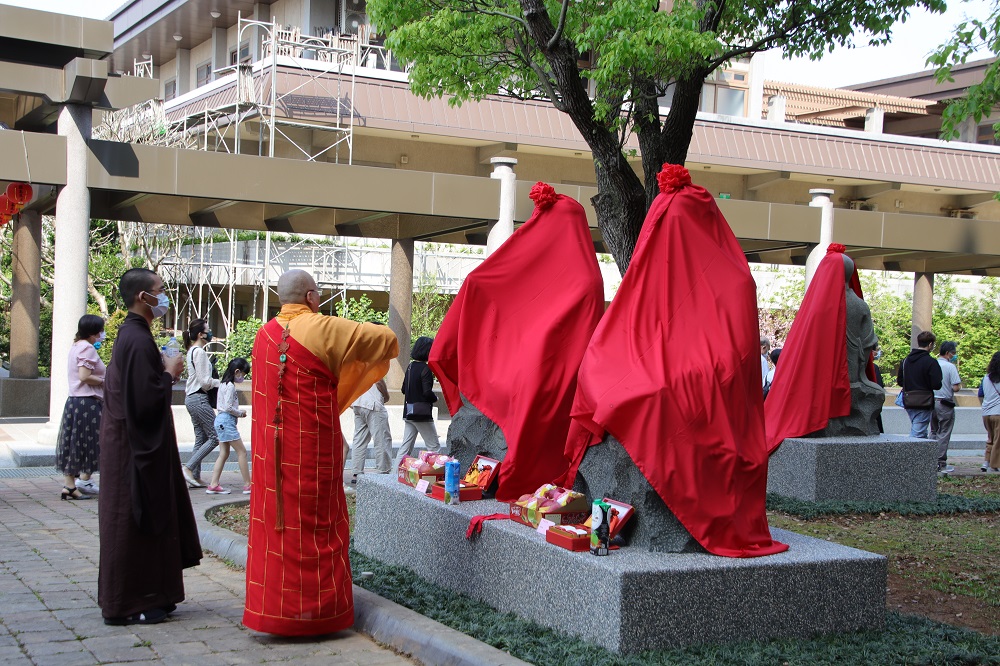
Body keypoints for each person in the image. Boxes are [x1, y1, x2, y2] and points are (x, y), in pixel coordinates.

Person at [244, 269, 397, 636]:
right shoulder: (322, 327)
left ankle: (274, 612)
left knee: (277, 529)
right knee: (318, 527)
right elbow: (386, 339)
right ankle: (319, 614)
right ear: (311, 297)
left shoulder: (262, 336)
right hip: (311, 452)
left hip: (271, 459)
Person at [98, 268, 201, 626]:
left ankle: (154, 594)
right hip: (133, 448)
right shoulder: (137, 339)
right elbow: (143, 401)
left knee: (149, 517)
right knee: (132, 519)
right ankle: (127, 603)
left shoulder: (134, 334)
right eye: (160, 290)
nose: (164, 296)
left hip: (132, 442)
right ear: (144, 297)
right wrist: (170, 373)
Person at [56, 314, 106, 500]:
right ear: (93, 332)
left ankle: (73, 483)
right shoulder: (87, 348)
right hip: (87, 402)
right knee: (89, 442)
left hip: (76, 401)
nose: (102, 334)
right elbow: (84, 376)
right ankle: (75, 483)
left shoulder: (76, 345)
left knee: (75, 442)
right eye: (100, 331)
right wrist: (105, 381)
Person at [181, 318, 220, 488]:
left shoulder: (191, 351)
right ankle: (188, 468)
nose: (210, 333)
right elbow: (205, 382)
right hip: (199, 398)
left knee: (201, 438)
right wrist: (220, 382)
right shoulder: (200, 353)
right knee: (215, 436)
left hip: (191, 398)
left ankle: (195, 477)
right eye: (208, 330)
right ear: (200, 334)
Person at [205, 357, 252, 495]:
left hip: (220, 421)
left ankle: (213, 484)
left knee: (224, 453)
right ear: (237, 371)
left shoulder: (222, 384)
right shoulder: (230, 386)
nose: (242, 377)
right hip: (226, 421)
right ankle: (248, 484)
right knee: (242, 452)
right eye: (243, 374)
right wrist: (240, 413)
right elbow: (228, 407)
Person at [393, 336, 440, 469]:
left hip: (409, 412)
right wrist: (435, 398)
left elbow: (403, 389)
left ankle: (395, 473)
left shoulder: (410, 367)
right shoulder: (426, 369)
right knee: (434, 446)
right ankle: (434, 474)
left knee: (405, 447)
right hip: (421, 414)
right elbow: (427, 392)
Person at [896, 331, 943, 440]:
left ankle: (923, 450)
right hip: (924, 401)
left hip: (908, 400)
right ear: (930, 344)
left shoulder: (906, 360)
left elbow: (900, 381)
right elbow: (936, 384)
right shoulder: (931, 362)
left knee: (920, 430)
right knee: (917, 434)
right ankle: (909, 450)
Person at [350, 369, 393, 483]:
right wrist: (386, 396)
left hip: (358, 402)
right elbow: (379, 381)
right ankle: (383, 471)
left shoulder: (354, 364)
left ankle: (356, 472)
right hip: (372, 403)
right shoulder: (373, 362)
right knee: (382, 439)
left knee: (359, 440)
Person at [931, 341, 962, 475]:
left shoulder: (933, 364)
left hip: (931, 402)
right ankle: (940, 463)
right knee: (944, 432)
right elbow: (956, 387)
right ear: (948, 353)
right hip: (945, 404)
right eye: (953, 353)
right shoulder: (950, 367)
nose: (954, 356)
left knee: (933, 431)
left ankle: (930, 459)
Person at [980, 352, 1000, 473]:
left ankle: (986, 462)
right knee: (998, 440)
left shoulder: (986, 378)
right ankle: (994, 464)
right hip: (998, 413)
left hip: (986, 413)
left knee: (990, 438)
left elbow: (980, 394)